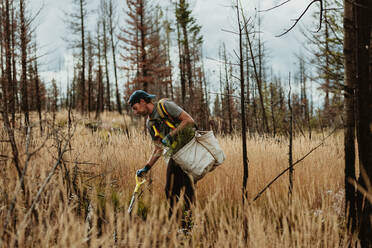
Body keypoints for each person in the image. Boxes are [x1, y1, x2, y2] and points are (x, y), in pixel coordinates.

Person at [128, 90, 196, 228]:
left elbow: (189, 120)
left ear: (142, 101)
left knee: (188, 189)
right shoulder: (150, 123)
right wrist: (146, 167)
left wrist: (171, 135)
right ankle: (176, 225)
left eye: (135, 108)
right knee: (170, 190)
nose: (135, 112)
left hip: (189, 151)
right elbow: (158, 148)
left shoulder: (165, 106)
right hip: (175, 155)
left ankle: (188, 227)